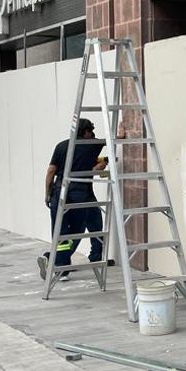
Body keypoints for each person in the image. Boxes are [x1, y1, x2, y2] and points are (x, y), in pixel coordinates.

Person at [41, 118, 112, 281]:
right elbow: (113, 140)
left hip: (59, 192)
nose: (93, 135)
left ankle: (63, 263)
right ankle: (57, 264)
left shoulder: (61, 146)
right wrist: (122, 133)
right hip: (80, 193)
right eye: (91, 131)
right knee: (78, 230)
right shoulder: (91, 145)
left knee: (60, 231)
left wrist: (47, 193)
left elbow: (51, 171)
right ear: (85, 132)